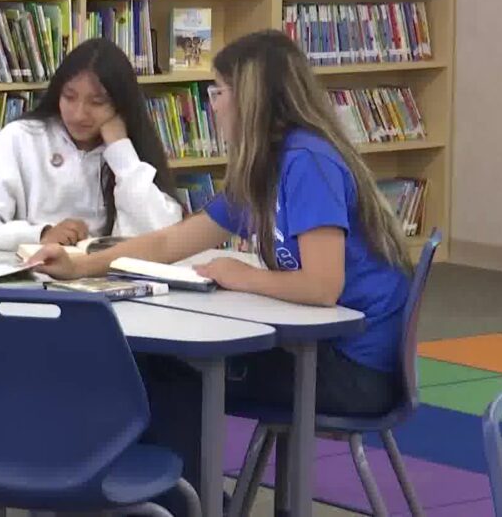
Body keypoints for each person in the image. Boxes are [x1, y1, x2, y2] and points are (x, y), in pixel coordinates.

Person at [32, 29, 412, 512]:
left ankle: (186, 504)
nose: (211, 104)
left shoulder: (306, 162)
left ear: (251, 98)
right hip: (327, 352)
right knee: (159, 369)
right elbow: (172, 240)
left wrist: (241, 274)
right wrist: (80, 265)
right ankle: (187, 499)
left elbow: (322, 284)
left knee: (169, 375)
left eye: (217, 92)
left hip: (353, 369)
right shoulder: (266, 165)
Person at [0, 37, 183, 251]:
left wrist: (122, 153)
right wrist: (41, 235)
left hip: (108, 282)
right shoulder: (21, 138)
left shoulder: (130, 149)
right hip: (32, 281)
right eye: (69, 97)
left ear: (121, 105)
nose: (79, 114)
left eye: (97, 102)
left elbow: (164, 239)